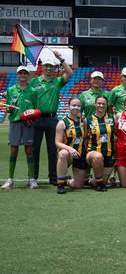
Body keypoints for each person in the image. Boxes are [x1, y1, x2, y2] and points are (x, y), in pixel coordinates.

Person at [30, 51, 73, 184]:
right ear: (42, 67)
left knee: (53, 150)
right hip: (36, 119)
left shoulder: (57, 81)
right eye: (46, 66)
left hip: (52, 119)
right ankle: (33, 177)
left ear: (54, 68)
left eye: (51, 66)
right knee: (34, 149)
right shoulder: (34, 82)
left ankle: (54, 177)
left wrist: (60, 59)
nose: (49, 68)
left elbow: (69, 73)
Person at [2, 65, 38, 190]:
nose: (22, 75)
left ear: (28, 75)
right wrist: (9, 109)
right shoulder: (11, 90)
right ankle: (10, 179)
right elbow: (7, 109)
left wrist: (31, 119)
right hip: (15, 123)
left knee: (29, 150)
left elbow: (36, 109)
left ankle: (32, 179)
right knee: (14, 150)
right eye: (20, 73)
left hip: (28, 124)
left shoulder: (33, 91)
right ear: (17, 75)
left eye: (25, 73)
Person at [54, 97, 99, 194]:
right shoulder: (62, 123)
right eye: (73, 105)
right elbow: (57, 143)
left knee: (79, 185)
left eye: (78, 106)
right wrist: (70, 149)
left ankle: (67, 181)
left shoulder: (83, 121)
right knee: (63, 154)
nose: (76, 107)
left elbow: (86, 137)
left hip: (80, 154)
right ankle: (60, 184)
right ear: (68, 106)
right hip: (68, 154)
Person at [85, 95, 114, 192]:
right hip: (93, 152)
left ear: (107, 105)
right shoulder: (88, 119)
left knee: (100, 181)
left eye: (103, 104)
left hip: (109, 154)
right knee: (98, 156)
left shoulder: (112, 118)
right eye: (99, 103)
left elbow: (116, 133)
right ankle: (99, 184)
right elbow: (84, 137)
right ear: (95, 104)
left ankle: (89, 181)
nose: (101, 105)